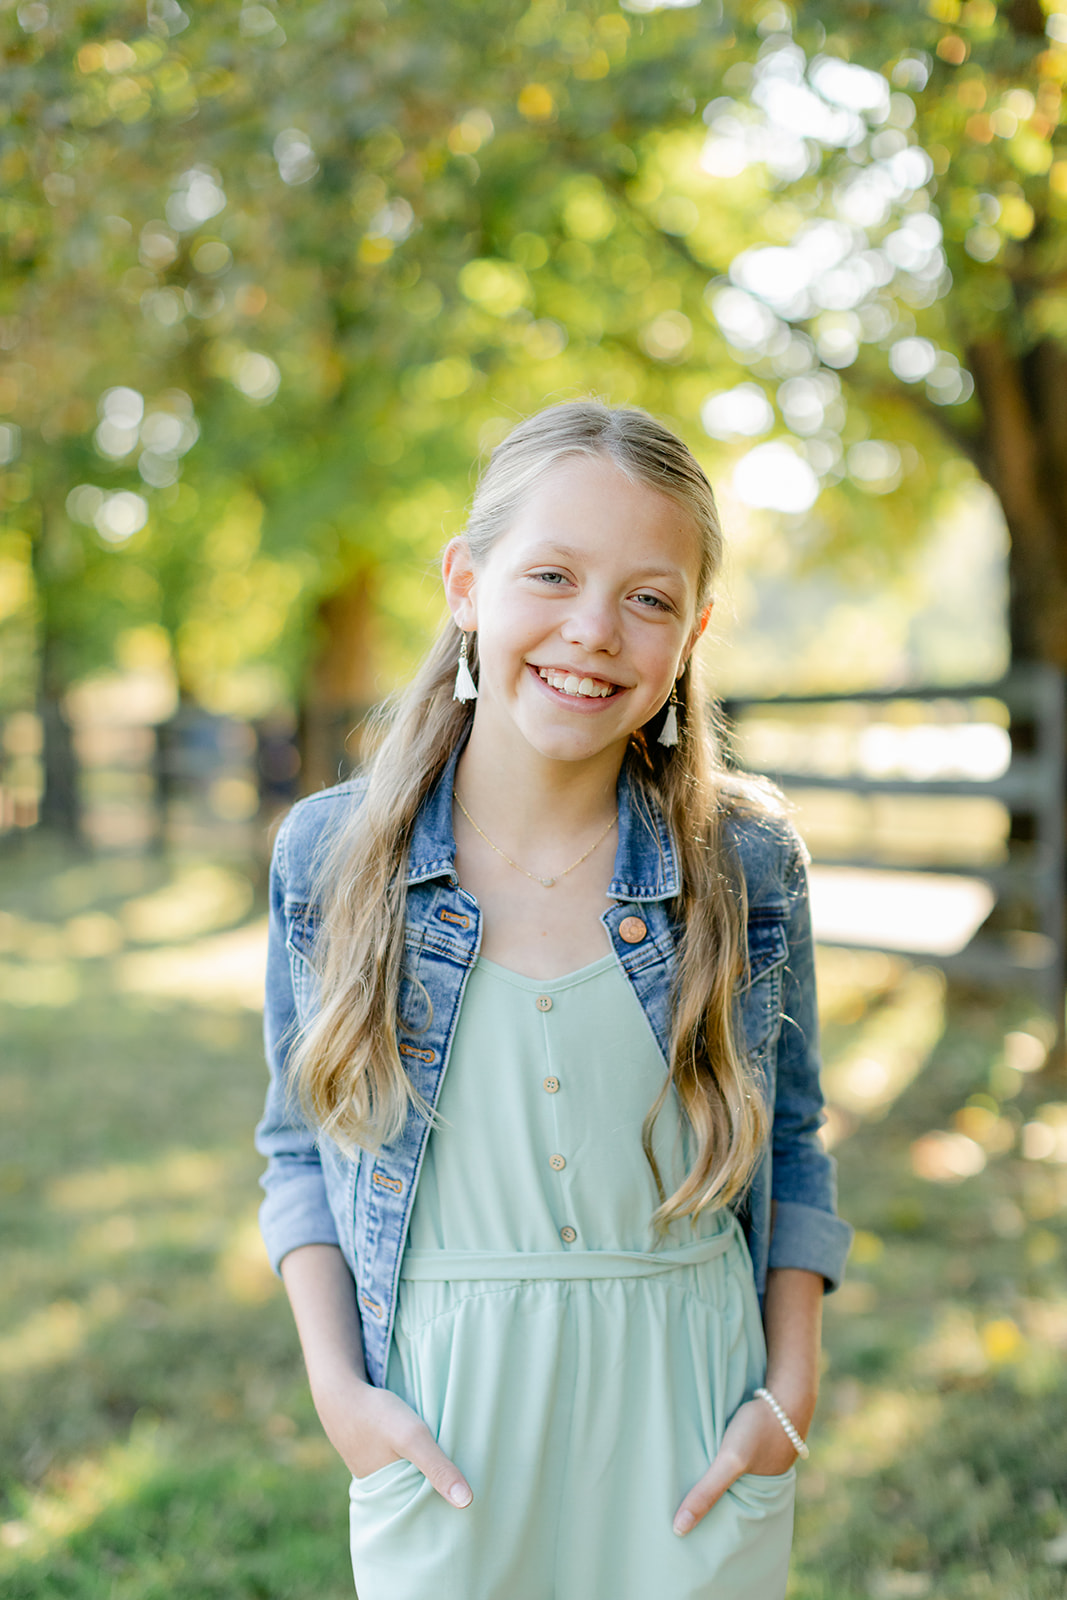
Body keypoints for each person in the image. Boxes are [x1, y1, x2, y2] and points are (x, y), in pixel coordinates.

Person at [255, 400, 852, 1600]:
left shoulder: (740, 860)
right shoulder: (333, 854)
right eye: (552, 574)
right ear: (466, 583)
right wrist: (342, 1396)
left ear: (691, 633)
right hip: (445, 1425)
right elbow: (296, 1152)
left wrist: (786, 1394)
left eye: (648, 596)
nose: (593, 630)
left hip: (690, 1412)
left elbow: (791, 1135)